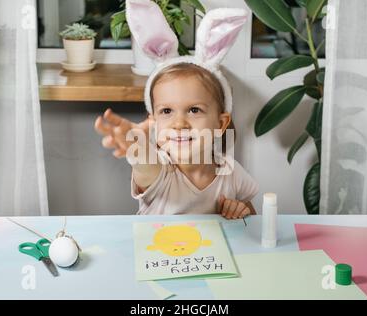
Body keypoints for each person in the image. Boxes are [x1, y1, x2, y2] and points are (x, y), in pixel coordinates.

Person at [94, 0, 258, 219]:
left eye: (194, 110)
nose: (179, 124)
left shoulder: (231, 172)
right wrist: (137, 144)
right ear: (153, 123)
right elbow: (145, 162)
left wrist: (241, 210)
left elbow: (252, 214)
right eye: (166, 111)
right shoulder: (160, 170)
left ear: (220, 124)